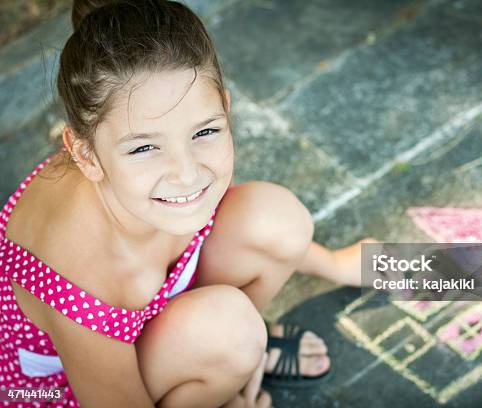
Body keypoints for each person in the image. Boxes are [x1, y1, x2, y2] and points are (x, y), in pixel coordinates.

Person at [0, 1, 375, 406]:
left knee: (276, 218)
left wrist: (334, 265)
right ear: (86, 154)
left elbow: (257, 231)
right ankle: (222, 367)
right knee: (230, 329)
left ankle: (229, 357)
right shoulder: (84, 273)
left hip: (148, 327)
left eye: (205, 132)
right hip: (61, 388)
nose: (186, 173)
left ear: (224, 109)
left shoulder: (148, 180)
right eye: (144, 147)